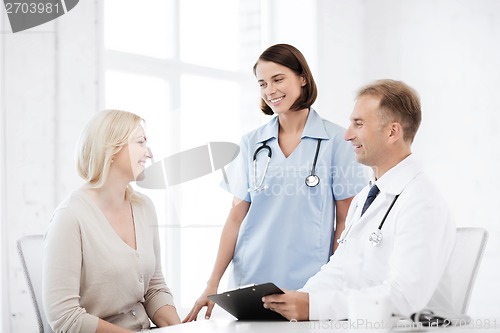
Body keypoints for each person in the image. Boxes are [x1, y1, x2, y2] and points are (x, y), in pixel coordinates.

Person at [184, 44, 367, 322]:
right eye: (262, 83)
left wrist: (332, 284)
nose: (270, 90)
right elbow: (235, 218)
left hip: (309, 287)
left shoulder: (337, 142)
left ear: (302, 78)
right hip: (251, 284)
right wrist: (212, 284)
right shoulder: (251, 144)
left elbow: (345, 223)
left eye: (278, 79)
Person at [261, 79, 457, 321]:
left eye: (359, 124)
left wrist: (315, 307)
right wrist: (298, 300)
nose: (347, 135)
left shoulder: (422, 202)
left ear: (392, 132)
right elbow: (339, 269)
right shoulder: (366, 196)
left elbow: (403, 298)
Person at [43, 110, 181, 333]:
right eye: (140, 142)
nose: (149, 153)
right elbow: (64, 317)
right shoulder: (70, 217)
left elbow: (154, 288)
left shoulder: (144, 207)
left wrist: (179, 330)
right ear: (111, 150)